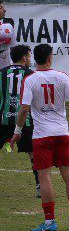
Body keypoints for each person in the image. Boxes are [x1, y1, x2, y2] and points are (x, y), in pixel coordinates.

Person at [13, 44, 69, 231]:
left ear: (34, 59)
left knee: (44, 177)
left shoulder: (30, 79)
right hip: (62, 133)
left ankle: (50, 221)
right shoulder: (62, 77)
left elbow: (24, 109)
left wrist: (17, 131)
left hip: (42, 136)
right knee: (68, 175)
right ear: (50, 58)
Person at [0, 45, 37, 195]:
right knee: (33, 152)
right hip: (24, 120)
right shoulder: (31, 74)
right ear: (24, 58)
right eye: (29, 56)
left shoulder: (1, 73)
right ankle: (40, 186)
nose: (30, 59)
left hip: (3, 119)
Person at [0, 1, 12, 68]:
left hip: (4, 70)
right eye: (0, 8)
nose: (4, 10)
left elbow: (13, 46)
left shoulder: (8, 27)